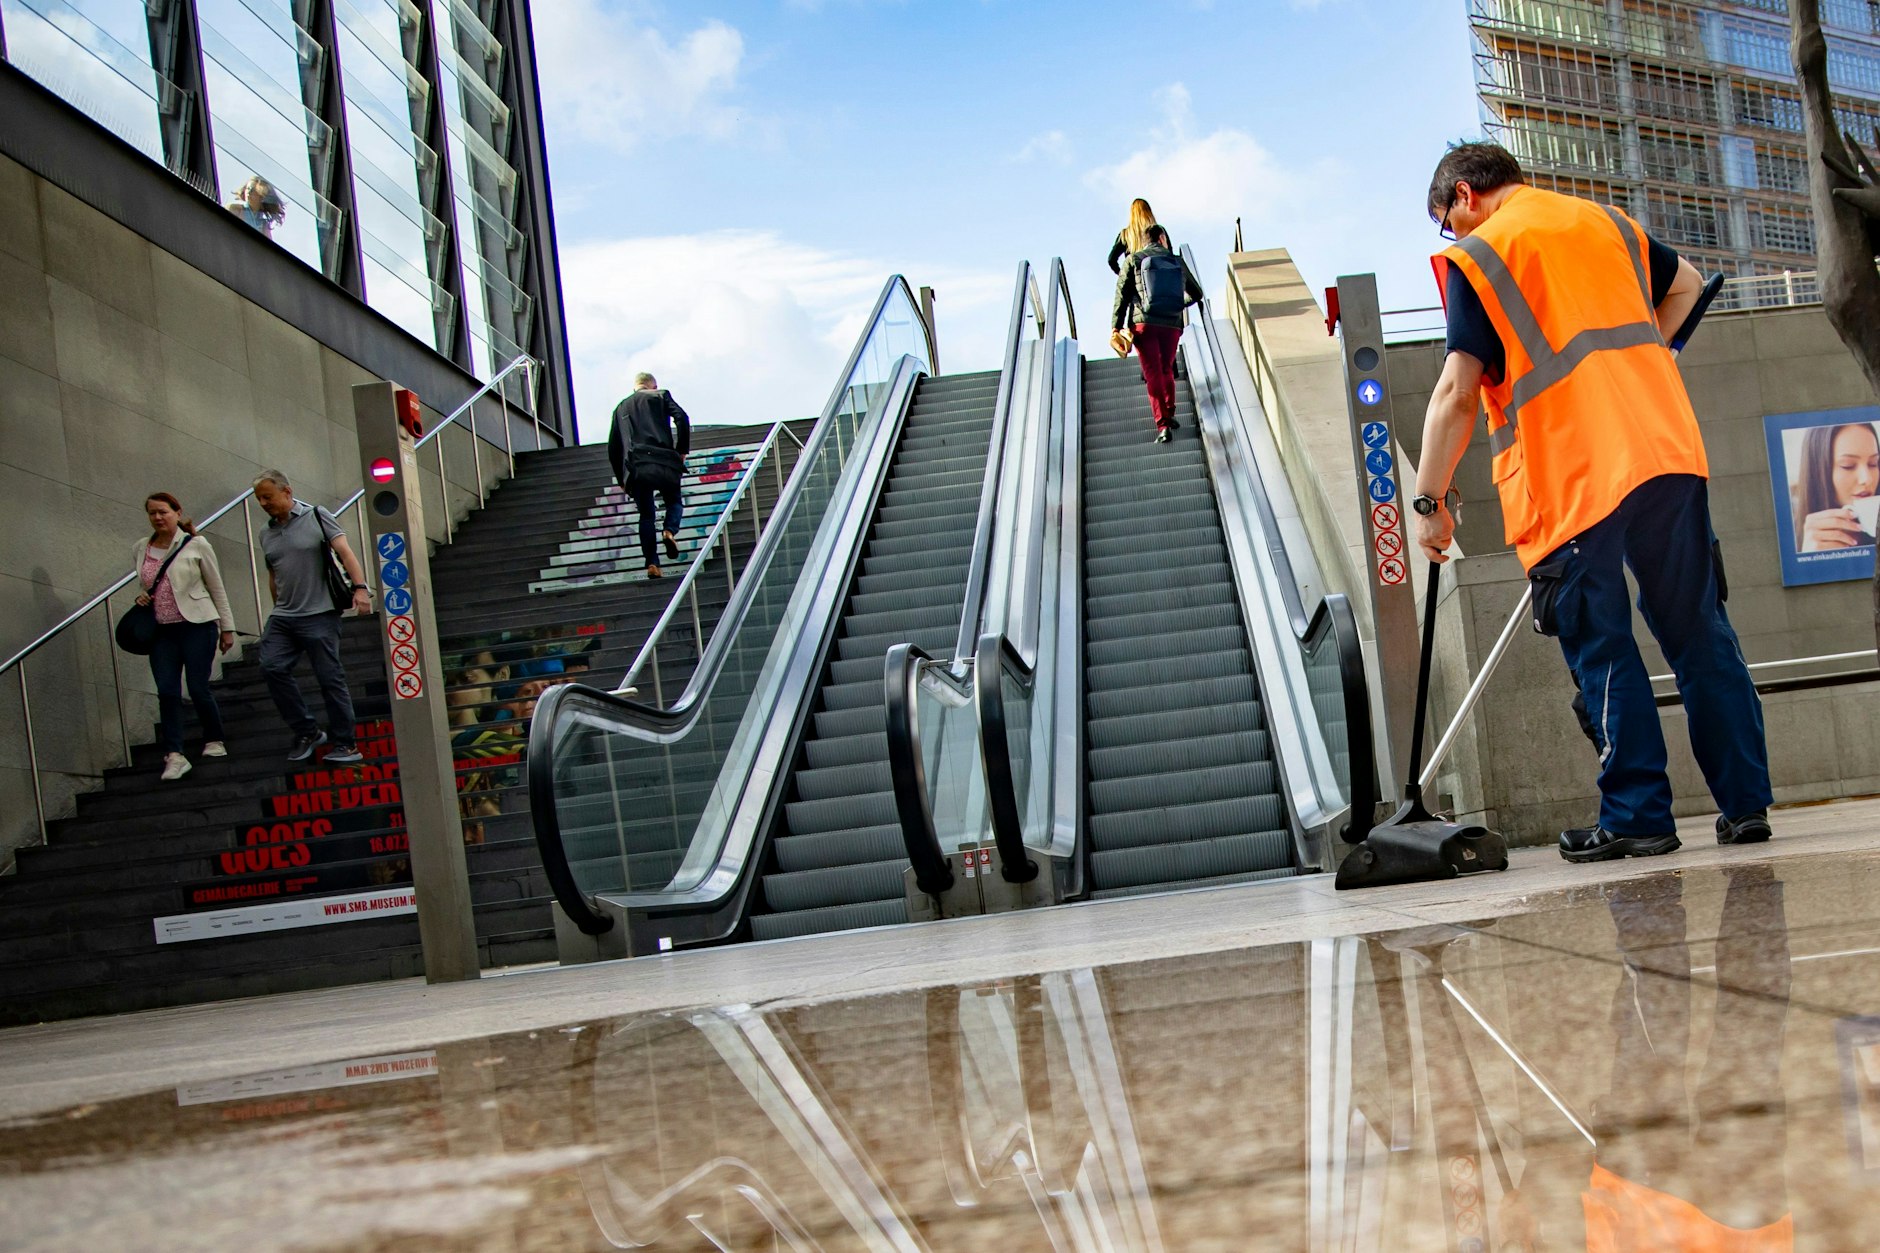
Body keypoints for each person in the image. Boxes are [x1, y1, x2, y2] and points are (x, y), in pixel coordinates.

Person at [1410, 141, 1773, 863]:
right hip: (1663, 450)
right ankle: (1745, 805)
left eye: (1448, 224)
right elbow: (1687, 285)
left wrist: (1429, 500)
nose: (1455, 238)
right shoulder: (1603, 223)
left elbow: (1456, 392)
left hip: (1570, 473)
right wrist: (1636, 369)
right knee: (1699, 630)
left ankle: (1638, 814)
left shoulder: (1483, 255)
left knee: (1602, 644)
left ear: (1463, 196)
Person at [252, 469, 372, 765]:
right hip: (284, 616)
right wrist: (276, 605)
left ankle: (346, 743)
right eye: (259, 499)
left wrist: (360, 589)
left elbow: (345, 552)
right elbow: (273, 573)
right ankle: (307, 730)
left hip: (319, 613)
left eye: (268, 496)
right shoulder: (266, 533)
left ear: (287, 492)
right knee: (271, 666)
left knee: (330, 679)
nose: (263, 503)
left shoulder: (317, 516)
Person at [133, 492, 237, 781]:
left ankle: (214, 739)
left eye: (163, 512)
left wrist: (227, 628)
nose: (157, 517)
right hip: (161, 630)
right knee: (166, 690)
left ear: (177, 513)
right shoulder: (141, 547)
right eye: (152, 513)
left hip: (197, 625)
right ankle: (175, 754)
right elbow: (149, 584)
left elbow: (216, 587)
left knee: (197, 686)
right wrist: (143, 596)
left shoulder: (197, 544)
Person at [1111, 224, 1203, 442]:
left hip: (1144, 323)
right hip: (1171, 325)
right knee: (1166, 369)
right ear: (1162, 238)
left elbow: (1121, 297)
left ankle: (1162, 425)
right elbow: (1196, 293)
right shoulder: (1177, 261)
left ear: (1144, 241)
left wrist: (1116, 326)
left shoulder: (1133, 260)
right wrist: (1178, 305)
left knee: (1152, 371)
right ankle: (1170, 413)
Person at [607, 372, 691, 578]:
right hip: (664, 460)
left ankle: (652, 564)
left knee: (646, 516)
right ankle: (669, 531)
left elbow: (613, 447)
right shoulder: (660, 395)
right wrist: (681, 450)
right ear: (653, 386)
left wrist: (621, 479)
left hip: (636, 466)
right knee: (674, 502)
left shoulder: (620, 408)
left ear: (635, 387)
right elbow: (682, 418)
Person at [1793, 420, 1879, 551]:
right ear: (1817, 472)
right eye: (1848, 466)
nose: (1866, 478)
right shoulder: (1789, 542)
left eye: (1873, 463)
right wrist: (1810, 561)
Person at [1106, 198, 1158, 273]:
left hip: (1135, 280)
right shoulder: (1158, 231)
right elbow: (1169, 255)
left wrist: (1123, 275)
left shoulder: (1126, 235)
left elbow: (1111, 260)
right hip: (1158, 278)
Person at [226, 175, 285, 239]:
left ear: (262, 196)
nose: (249, 192)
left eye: (253, 190)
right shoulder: (234, 209)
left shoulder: (264, 225)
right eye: (248, 188)